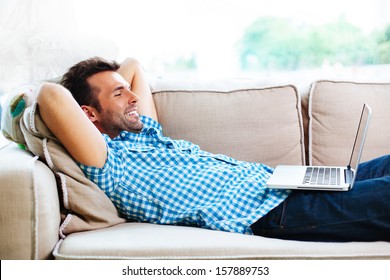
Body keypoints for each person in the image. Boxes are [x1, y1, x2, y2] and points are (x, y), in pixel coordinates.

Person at [36, 57, 390, 242]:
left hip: (279, 183)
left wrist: (110, 83)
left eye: (126, 90)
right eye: (118, 93)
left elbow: (132, 65)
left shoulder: (139, 134)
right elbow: (50, 97)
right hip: (273, 212)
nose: (132, 96)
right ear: (88, 115)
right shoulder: (107, 161)